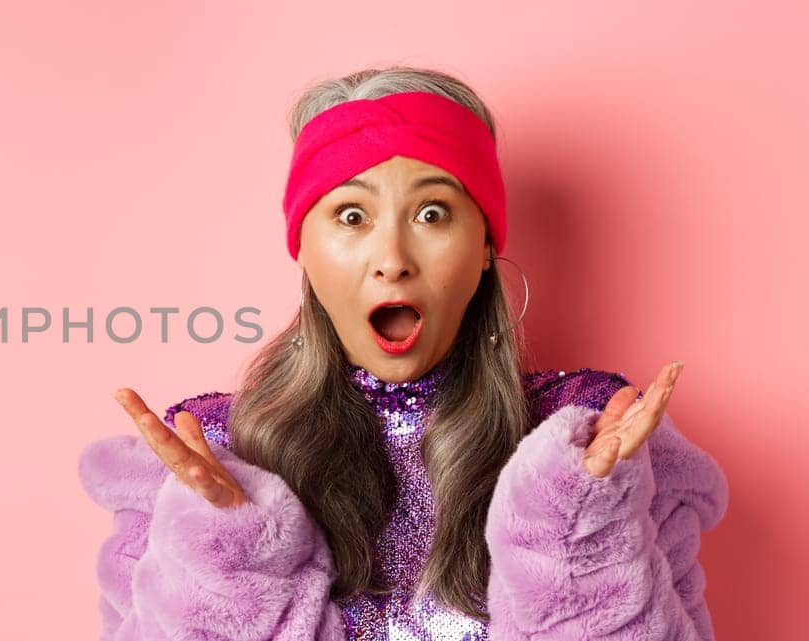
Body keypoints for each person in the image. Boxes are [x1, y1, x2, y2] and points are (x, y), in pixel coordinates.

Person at [76, 66, 730, 641]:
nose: (391, 260)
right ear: (304, 248)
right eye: (352, 217)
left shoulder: (592, 442)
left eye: (432, 214)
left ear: (482, 249)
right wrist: (225, 558)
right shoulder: (203, 459)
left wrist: (577, 533)